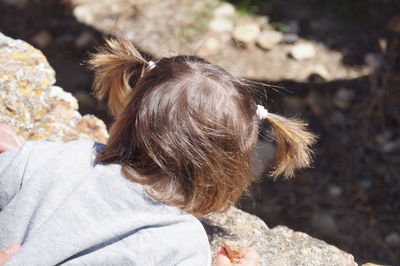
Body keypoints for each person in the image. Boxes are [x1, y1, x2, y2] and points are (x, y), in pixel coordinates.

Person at [0, 38, 315, 265]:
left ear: (127, 116)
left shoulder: (49, 159)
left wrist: (23, 163)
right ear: (224, 172)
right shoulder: (179, 244)